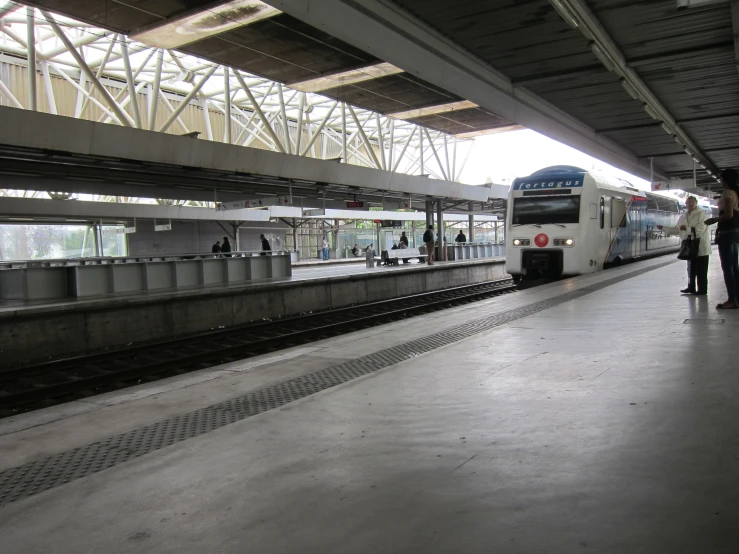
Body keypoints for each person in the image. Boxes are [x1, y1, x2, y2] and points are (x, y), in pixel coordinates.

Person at [658, 196, 710, 295]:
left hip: (700, 245)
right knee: (691, 268)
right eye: (688, 202)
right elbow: (677, 229)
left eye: (692, 202)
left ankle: (702, 290)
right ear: (686, 204)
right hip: (689, 245)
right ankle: (691, 287)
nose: (690, 204)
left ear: (696, 203)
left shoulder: (701, 214)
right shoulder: (684, 215)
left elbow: (701, 228)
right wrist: (664, 228)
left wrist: (687, 228)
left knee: (701, 269)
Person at [705, 169, 739, 309]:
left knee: (727, 267)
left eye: (721, 178)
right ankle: (736, 297)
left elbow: (728, 215)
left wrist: (713, 220)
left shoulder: (728, 193)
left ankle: (732, 299)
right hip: (736, 232)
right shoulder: (737, 193)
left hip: (727, 232)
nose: (720, 181)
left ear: (725, 180)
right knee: (734, 267)